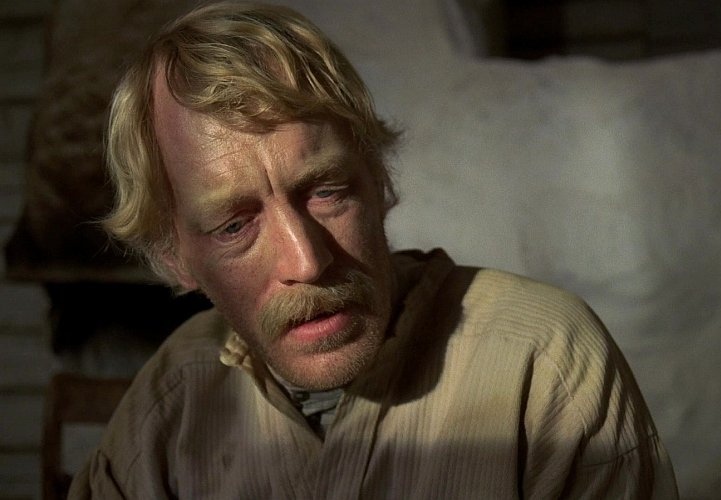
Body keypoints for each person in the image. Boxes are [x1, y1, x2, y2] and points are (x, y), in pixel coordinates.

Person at [69, 1, 678, 498]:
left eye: (327, 192)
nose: (307, 262)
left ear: (380, 181)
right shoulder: (170, 404)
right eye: (234, 227)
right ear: (176, 258)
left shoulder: (543, 362)